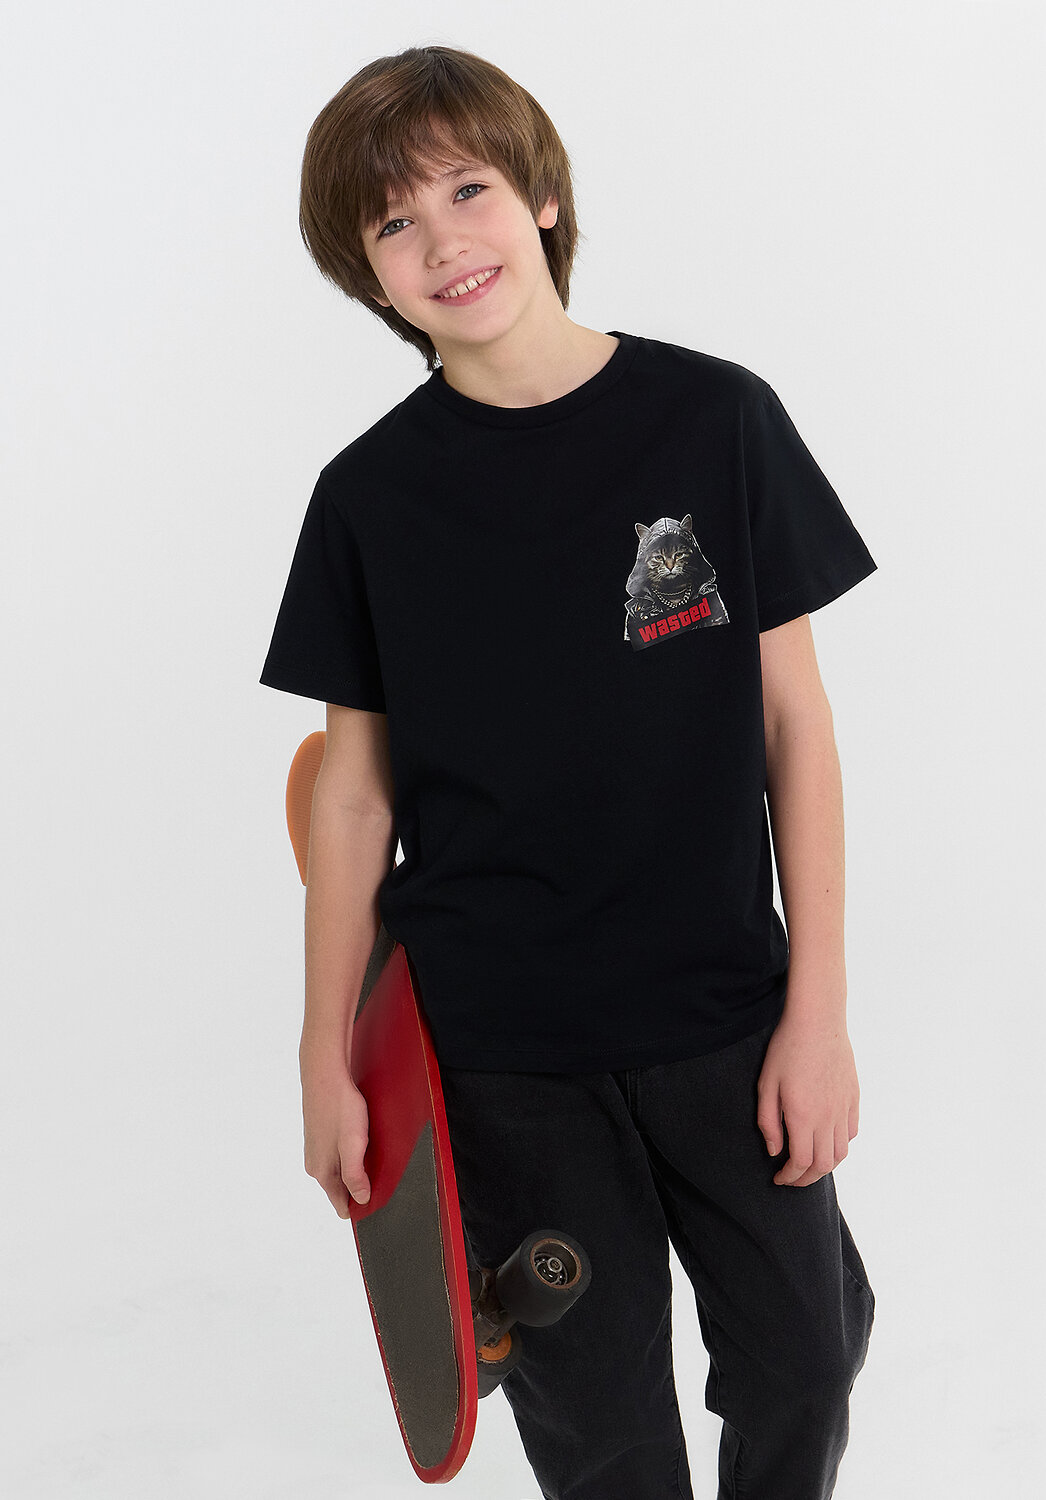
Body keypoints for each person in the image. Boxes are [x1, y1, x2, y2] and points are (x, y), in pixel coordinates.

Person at [260, 43, 877, 1500]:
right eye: (394, 222)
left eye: (467, 190)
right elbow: (350, 793)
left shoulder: (715, 420)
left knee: (807, 1352)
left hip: (724, 1015)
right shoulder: (367, 500)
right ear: (368, 273)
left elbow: (795, 726)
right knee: (598, 1427)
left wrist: (819, 1011)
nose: (442, 242)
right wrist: (324, 1058)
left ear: (541, 196)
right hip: (502, 1052)